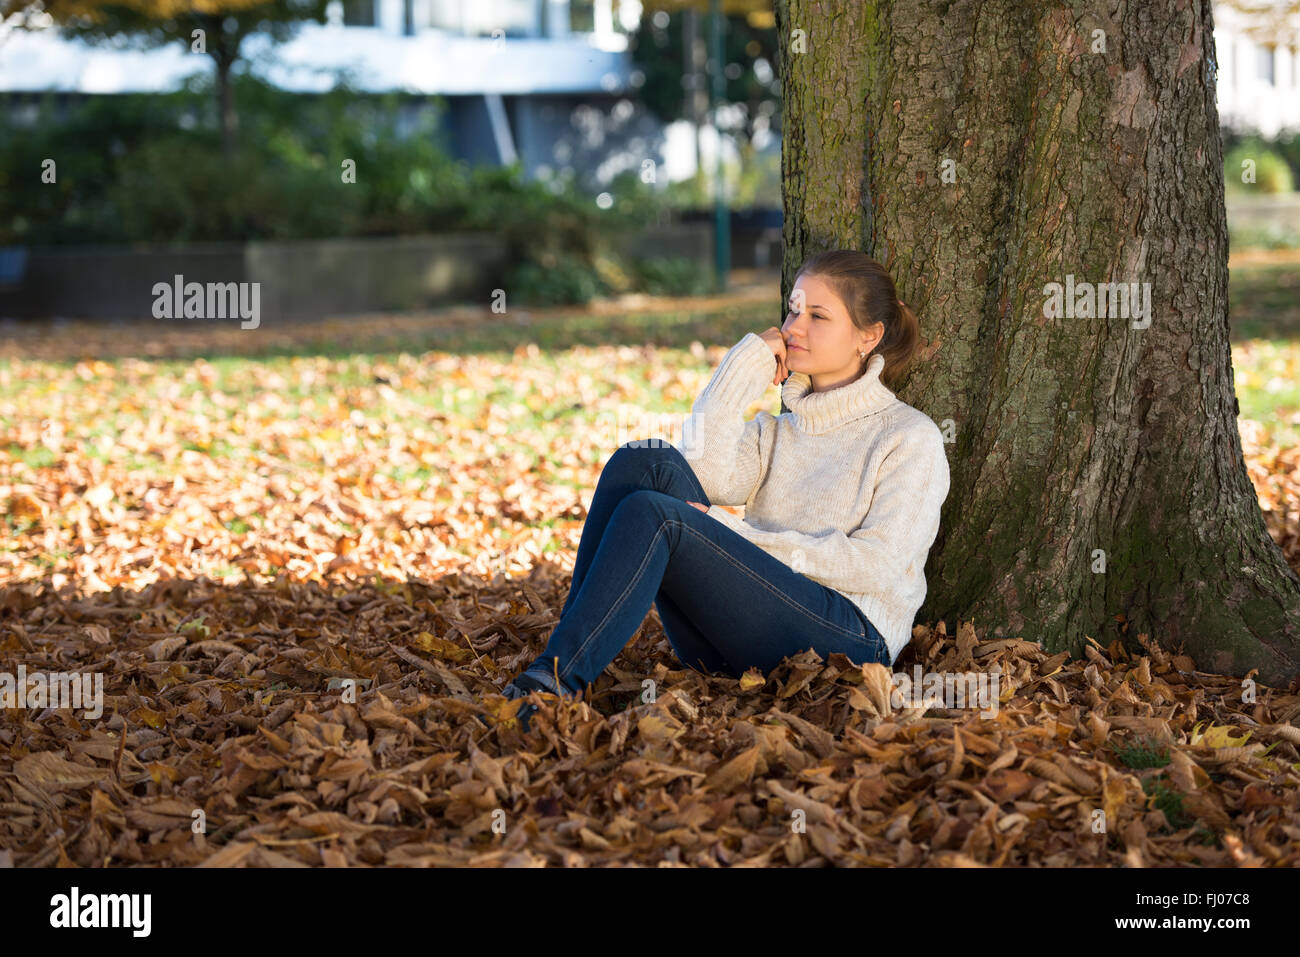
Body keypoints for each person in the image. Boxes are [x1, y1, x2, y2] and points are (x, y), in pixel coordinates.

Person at [494, 249, 951, 732]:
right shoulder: (779, 431)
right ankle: (566, 658)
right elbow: (699, 469)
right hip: (746, 633)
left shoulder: (908, 437)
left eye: (818, 316)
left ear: (869, 336)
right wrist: (745, 363)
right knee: (643, 460)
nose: (795, 327)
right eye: (794, 310)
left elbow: (877, 565)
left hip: (849, 643)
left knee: (659, 517)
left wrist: (740, 536)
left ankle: (552, 683)